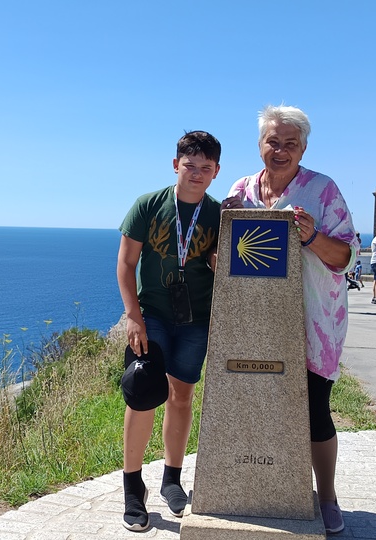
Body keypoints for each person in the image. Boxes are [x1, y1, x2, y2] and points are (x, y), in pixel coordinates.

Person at [222, 105, 359, 535]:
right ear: (259, 145)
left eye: (290, 144)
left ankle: (328, 496)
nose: (280, 150)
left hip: (314, 322)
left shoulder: (323, 190)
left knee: (316, 412)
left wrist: (312, 236)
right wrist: (224, 223)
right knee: (254, 405)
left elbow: (347, 257)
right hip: (254, 323)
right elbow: (222, 259)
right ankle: (259, 486)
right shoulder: (241, 190)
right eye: (273, 141)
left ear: (303, 149)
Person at [116, 131, 223, 531]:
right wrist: (133, 316)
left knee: (181, 397)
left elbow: (226, 263)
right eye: (190, 166)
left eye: (205, 168)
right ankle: (132, 488)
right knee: (142, 392)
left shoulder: (218, 214)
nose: (197, 174)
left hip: (197, 319)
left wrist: (217, 259)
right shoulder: (148, 205)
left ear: (216, 172)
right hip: (154, 316)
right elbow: (126, 264)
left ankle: (171, 480)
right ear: (176, 164)